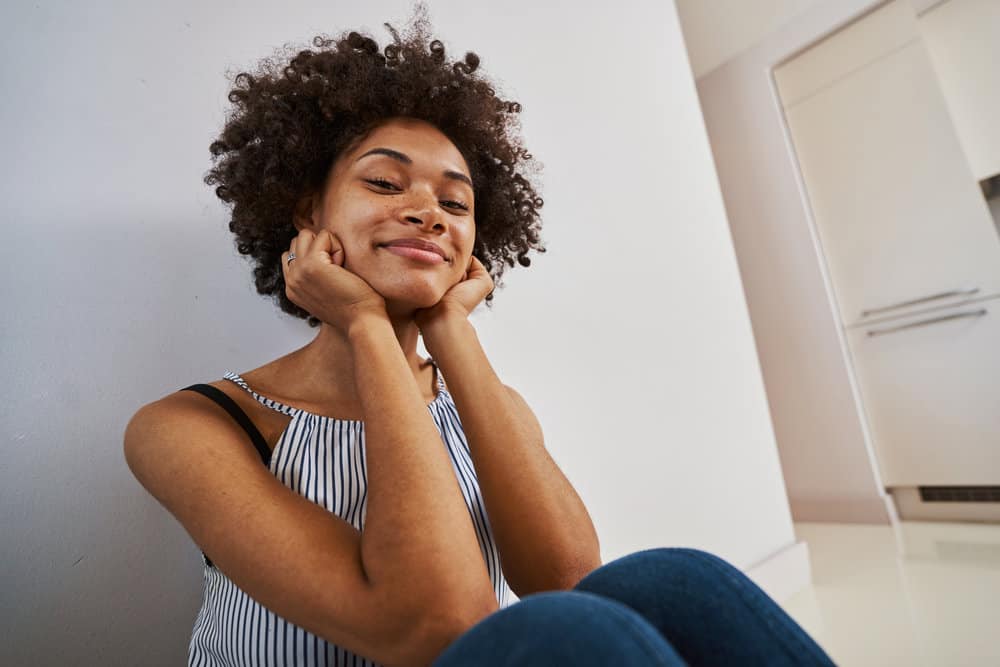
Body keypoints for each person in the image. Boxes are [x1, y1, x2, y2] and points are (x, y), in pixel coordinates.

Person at [123, 9, 837, 667]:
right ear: (308, 210)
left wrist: (450, 328)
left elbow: (569, 580)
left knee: (676, 580)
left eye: (454, 202)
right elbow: (433, 623)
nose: (428, 213)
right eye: (384, 182)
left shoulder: (492, 405)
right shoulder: (190, 427)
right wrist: (368, 325)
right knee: (571, 635)